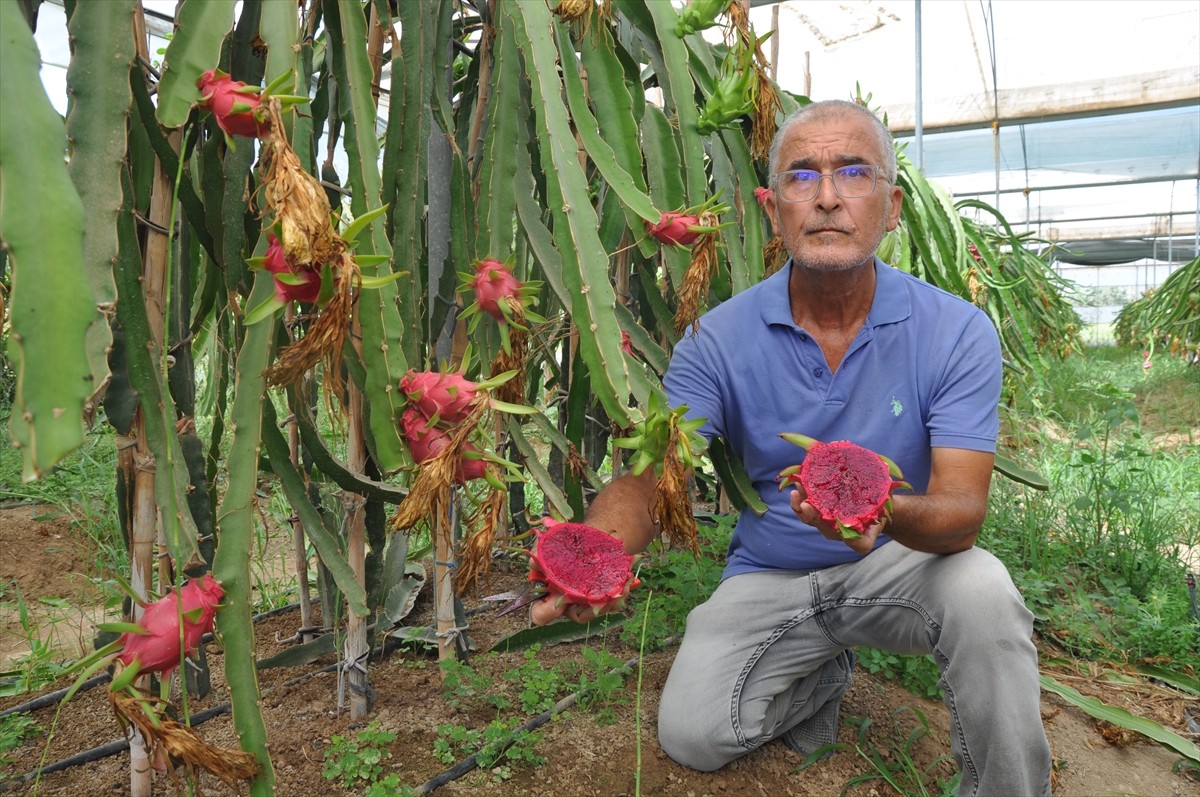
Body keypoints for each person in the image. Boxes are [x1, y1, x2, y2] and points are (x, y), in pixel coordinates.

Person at [531, 99, 1052, 796]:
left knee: (984, 591)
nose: (828, 196)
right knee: (693, 734)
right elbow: (657, 479)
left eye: (854, 173)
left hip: (901, 563)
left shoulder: (955, 332)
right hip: (769, 574)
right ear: (773, 210)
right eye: (802, 176)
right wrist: (599, 548)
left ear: (892, 207)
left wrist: (873, 508)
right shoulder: (716, 340)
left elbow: (961, 512)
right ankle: (819, 679)